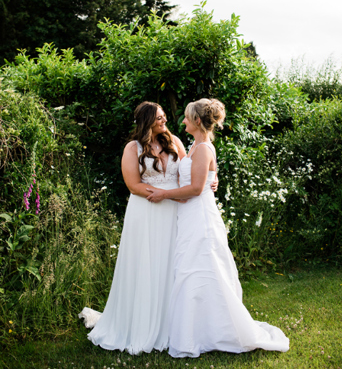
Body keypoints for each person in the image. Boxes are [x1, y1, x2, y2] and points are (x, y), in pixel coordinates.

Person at [146, 98, 289, 357]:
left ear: (197, 121)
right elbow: (205, 176)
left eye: (188, 118)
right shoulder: (196, 145)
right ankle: (197, 328)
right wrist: (215, 177)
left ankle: (211, 331)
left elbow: (195, 188)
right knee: (191, 268)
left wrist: (162, 194)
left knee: (201, 267)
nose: (184, 121)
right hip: (189, 214)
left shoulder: (202, 149)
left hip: (199, 215)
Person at [79, 102, 187, 354]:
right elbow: (133, 185)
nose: (164, 121)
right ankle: (140, 323)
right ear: (147, 120)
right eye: (159, 118)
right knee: (146, 264)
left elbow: (189, 174)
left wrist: (206, 182)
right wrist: (164, 194)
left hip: (174, 212)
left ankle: (173, 324)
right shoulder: (133, 148)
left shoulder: (175, 142)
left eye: (163, 116)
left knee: (172, 263)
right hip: (147, 211)